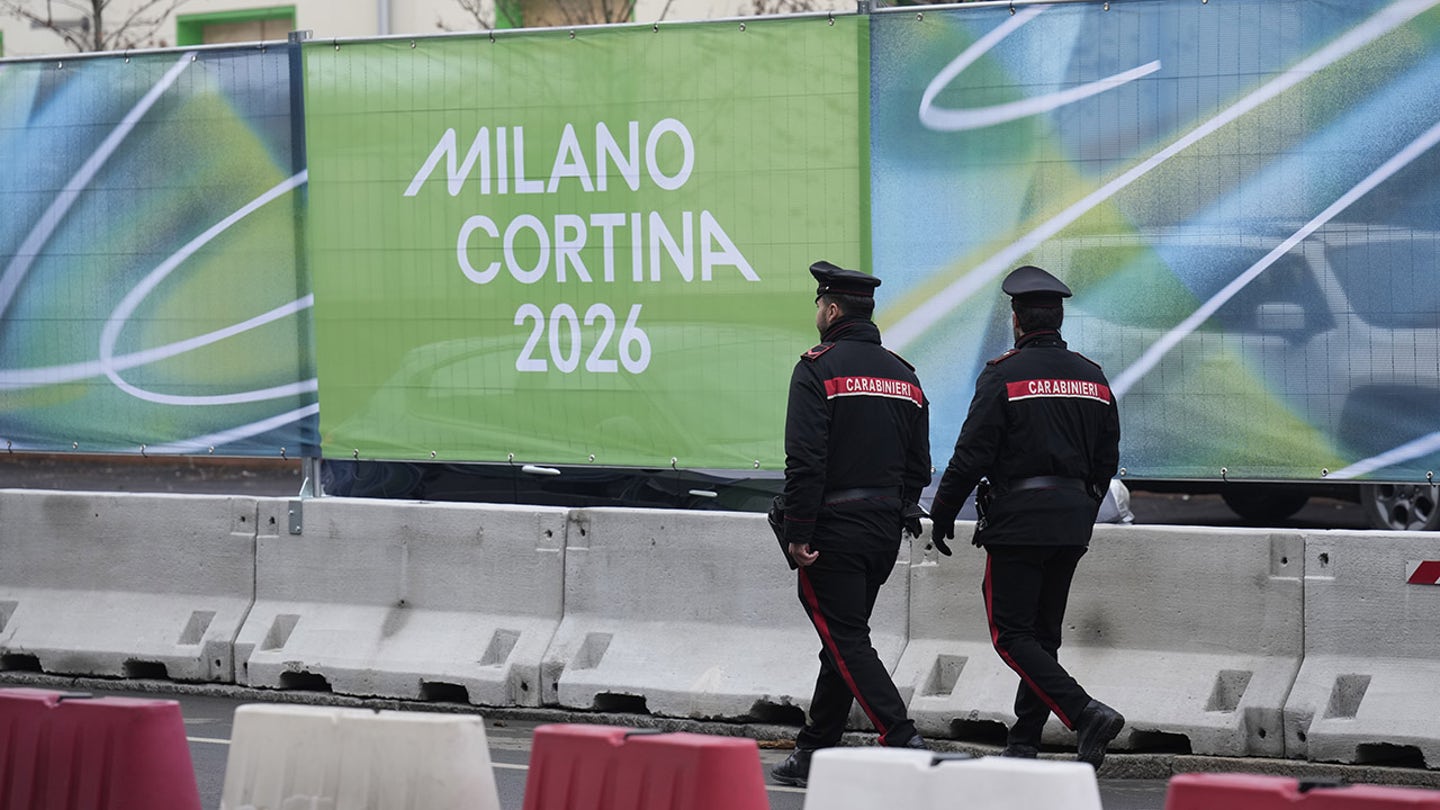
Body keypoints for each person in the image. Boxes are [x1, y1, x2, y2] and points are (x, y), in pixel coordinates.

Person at [928, 264, 1125, 768]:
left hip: (1018, 521)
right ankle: (1024, 740)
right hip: (1072, 522)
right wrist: (1082, 508)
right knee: (1043, 636)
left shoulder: (1003, 374)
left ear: (1016, 320)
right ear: (1058, 320)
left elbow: (971, 454)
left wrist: (943, 511)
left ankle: (1085, 713)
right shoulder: (1093, 376)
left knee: (1011, 634)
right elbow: (1106, 459)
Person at [770, 260, 933, 788]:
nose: (817, 313)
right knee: (842, 641)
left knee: (845, 638)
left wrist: (798, 531)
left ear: (833, 309)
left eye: (819, 304)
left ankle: (902, 737)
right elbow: (919, 465)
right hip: (883, 530)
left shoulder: (816, 368)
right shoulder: (904, 375)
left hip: (832, 530)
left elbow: (805, 461)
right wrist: (898, 510)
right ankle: (812, 751)